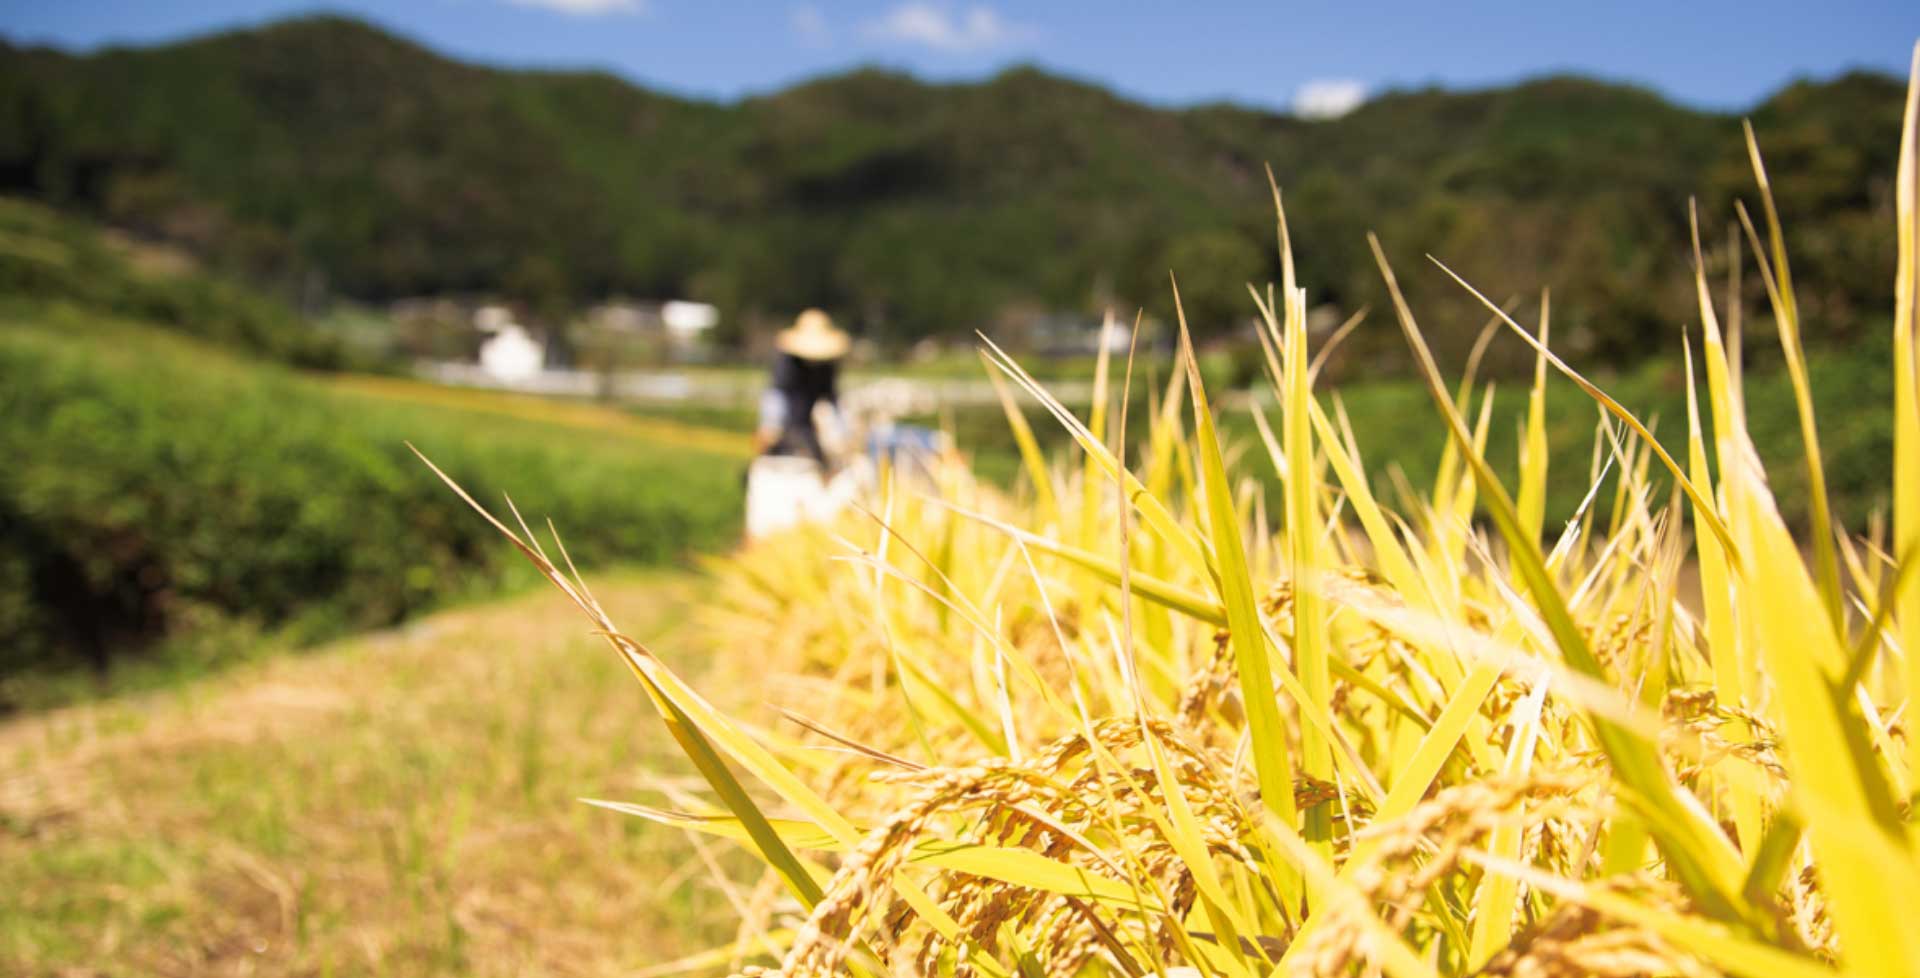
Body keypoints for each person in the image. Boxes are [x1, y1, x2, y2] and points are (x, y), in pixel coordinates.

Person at [746, 309, 852, 539]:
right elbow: (775, 398)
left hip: (807, 436)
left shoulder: (826, 366)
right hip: (789, 435)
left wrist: (843, 437)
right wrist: (770, 429)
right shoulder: (786, 364)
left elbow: (833, 402)